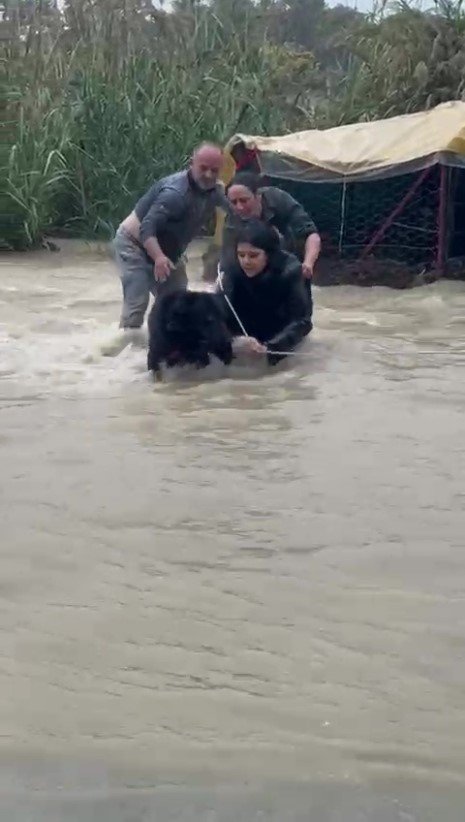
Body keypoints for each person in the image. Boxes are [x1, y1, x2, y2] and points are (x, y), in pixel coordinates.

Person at [113, 143, 229, 330]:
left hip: (168, 252)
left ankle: (167, 345)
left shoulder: (216, 192)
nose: (208, 175)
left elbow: (235, 213)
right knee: (136, 305)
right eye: (203, 168)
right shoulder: (174, 194)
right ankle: (123, 353)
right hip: (134, 245)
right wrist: (158, 257)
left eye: (214, 171)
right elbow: (147, 228)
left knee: (178, 303)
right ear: (191, 164)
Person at [217, 220, 312, 365]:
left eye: (253, 255)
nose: (246, 261)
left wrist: (271, 347)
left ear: (269, 254)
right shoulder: (231, 269)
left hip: (279, 335)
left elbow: (302, 322)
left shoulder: (291, 271)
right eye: (241, 255)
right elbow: (218, 314)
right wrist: (233, 340)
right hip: (244, 336)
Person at [221, 171, 321, 280]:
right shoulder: (232, 219)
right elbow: (228, 259)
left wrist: (308, 263)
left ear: (258, 195)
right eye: (234, 202)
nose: (239, 207)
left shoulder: (279, 200)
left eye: (244, 201)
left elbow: (311, 234)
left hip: (290, 255)